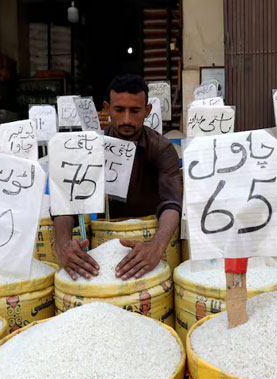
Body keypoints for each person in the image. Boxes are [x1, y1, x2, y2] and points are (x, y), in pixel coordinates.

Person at [54, 74, 182, 281]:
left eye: (135, 111)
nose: (126, 120)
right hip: (103, 246)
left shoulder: (161, 148)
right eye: (119, 110)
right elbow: (67, 201)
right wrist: (63, 243)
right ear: (106, 108)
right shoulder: (88, 148)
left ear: (147, 111)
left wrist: (156, 247)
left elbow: (172, 203)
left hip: (148, 241)